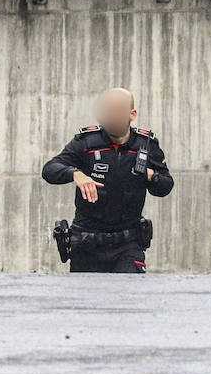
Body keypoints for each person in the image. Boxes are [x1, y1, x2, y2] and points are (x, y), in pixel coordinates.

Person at [42, 88, 173, 273]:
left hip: (128, 246)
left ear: (132, 114)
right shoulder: (86, 143)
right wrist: (75, 174)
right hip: (87, 244)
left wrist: (151, 176)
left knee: (129, 289)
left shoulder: (146, 145)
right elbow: (49, 169)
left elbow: (166, 186)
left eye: (117, 111)